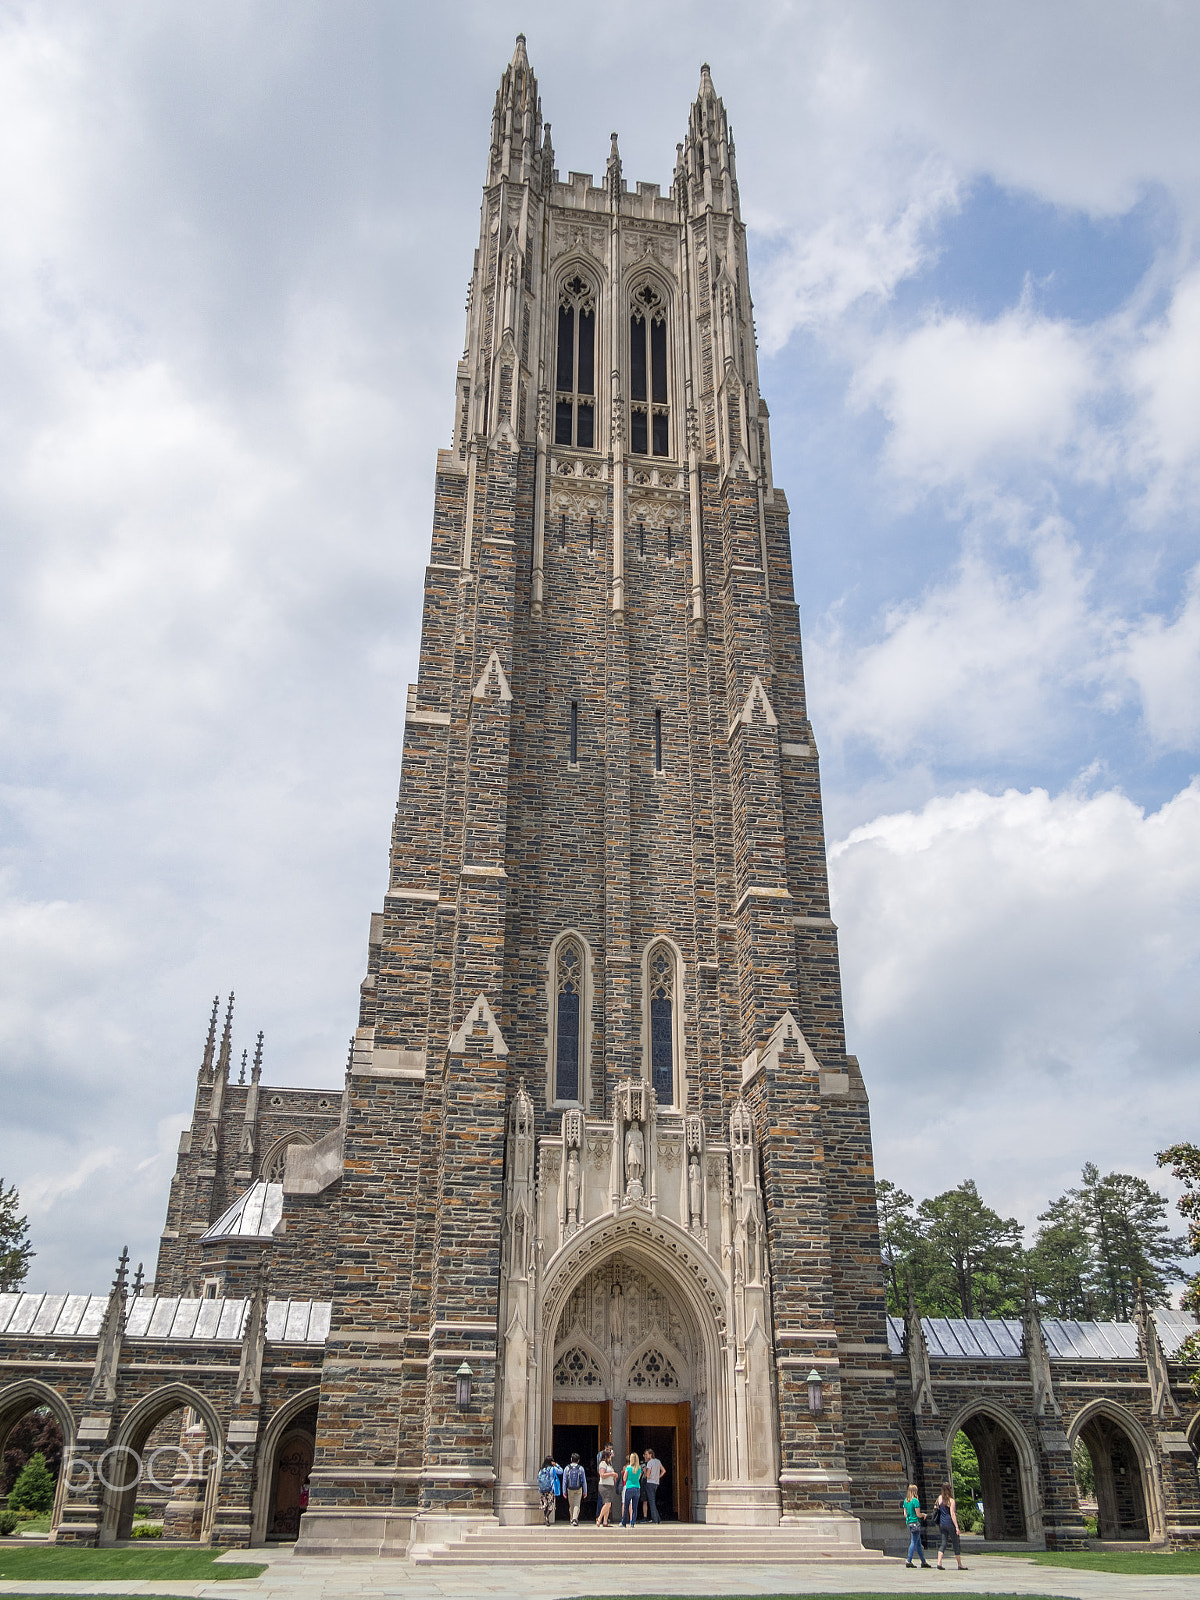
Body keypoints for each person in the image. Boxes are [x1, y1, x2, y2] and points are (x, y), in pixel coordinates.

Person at [932, 1481, 967, 1570]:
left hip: (942, 1523)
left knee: (943, 1543)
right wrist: (957, 1527)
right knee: (955, 1543)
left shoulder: (939, 1499)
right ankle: (959, 1564)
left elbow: (935, 1509)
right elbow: (952, 1514)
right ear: (949, 1489)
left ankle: (939, 1563)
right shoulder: (951, 1501)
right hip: (950, 1523)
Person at [902, 1482, 929, 1568]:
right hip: (915, 1523)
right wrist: (924, 1515)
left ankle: (923, 1562)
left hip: (909, 1522)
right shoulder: (915, 1501)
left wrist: (909, 1518)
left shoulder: (906, 1501)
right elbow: (918, 1514)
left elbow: (905, 1514)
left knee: (918, 1543)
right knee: (914, 1542)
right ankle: (909, 1560)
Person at [564, 1452, 587, 1527]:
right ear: (578, 1460)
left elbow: (564, 1480)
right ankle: (574, 1519)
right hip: (578, 1488)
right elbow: (584, 1480)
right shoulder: (581, 1468)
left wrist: (564, 1491)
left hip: (570, 1489)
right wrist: (585, 1491)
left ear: (571, 1459)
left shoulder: (567, 1468)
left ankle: (572, 1519)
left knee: (571, 1505)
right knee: (577, 1504)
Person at [596, 1446, 617, 1526]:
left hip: (610, 1485)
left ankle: (605, 1521)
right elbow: (602, 1474)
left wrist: (614, 1477)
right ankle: (599, 1518)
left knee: (608, 1504)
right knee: (607, 1503)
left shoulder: (609, 1465)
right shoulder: (603, 1463)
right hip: (604, 1486)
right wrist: (612, 1474)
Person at [621, 1451, 642, 1529]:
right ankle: (632, 1522)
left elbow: (624, 1478)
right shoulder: (639, 1469)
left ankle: (624, 1522)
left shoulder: (628, 1468)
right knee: (634, 1507)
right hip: (637, 1488)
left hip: (629, 1487)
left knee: (626, 1505)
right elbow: (639, 1478)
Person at [642, 1448, 664, 1523]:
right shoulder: (658, 1461)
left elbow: (647, 1475)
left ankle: (655, 1520)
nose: (645, 1456)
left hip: (650, 1482)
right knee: (653, 1501)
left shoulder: (650, 1463)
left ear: (650, 1455)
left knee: (651, 1502)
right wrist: (658, 1476)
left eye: (646, 1454)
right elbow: (664, 1470)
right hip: (656, 1483)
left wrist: (645, 1471)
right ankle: (658, 1519)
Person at [537, 1455, 560, 1526]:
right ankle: (547, 1516)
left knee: (545, 1505)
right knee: (551, 1505)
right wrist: (556, 1465)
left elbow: (538, 1479)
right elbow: (561, 1471)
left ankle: (545, 1518)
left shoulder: (541, 1470)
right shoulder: (552, 1469)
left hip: (542, 1489)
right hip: (550, 1489)